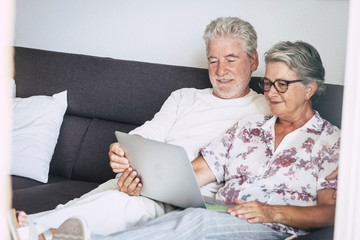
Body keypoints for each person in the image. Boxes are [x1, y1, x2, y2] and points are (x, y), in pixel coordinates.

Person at [11, 16, 272, 239]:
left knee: (122, 205)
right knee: (89, 202)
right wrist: (124, 151)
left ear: (253, 61)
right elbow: (149, 132)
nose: (220, 70)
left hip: (189, 201)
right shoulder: (184, 97)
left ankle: (28, 229)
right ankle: (29, 229)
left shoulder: (266, 109)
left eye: (230, 59)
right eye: (213, 60)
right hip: (142, 182)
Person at [88, 40, 340, 239]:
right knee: (172, 218)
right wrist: (139, 180)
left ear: (310, 88)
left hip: (273, 228)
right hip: (221, 214)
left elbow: (331, 213)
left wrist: (270, 211)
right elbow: (193, 174)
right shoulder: (248, 127)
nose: (271, 93)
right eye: (267, 83)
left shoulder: (332, 141)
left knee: (195, 222)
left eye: (282, 84)